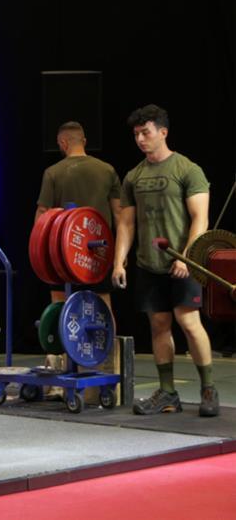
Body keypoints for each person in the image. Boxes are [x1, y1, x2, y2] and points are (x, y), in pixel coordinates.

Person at [112, 104, 218, 417]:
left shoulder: (187, 170)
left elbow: (200, 219)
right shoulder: (134, 176)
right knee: (159, 325)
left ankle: (208, 388)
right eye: (136, 134)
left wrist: (187, 257)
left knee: (189, 322)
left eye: (145, 132)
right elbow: (126, 223)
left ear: (163, 132)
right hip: (149, 264)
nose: (140, 139)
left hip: (183, 262)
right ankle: (168, 392)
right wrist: (119, 261)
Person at [35, 121, 122, 307]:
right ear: (84, 141)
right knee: (102, 306)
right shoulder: (107, 170)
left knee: (60, 304)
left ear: (63, 143)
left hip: (62, 251)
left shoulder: (52, 172)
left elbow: (43, 212)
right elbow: (119, 215)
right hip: (98, 251)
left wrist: (39, 253)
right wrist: (120, 255)